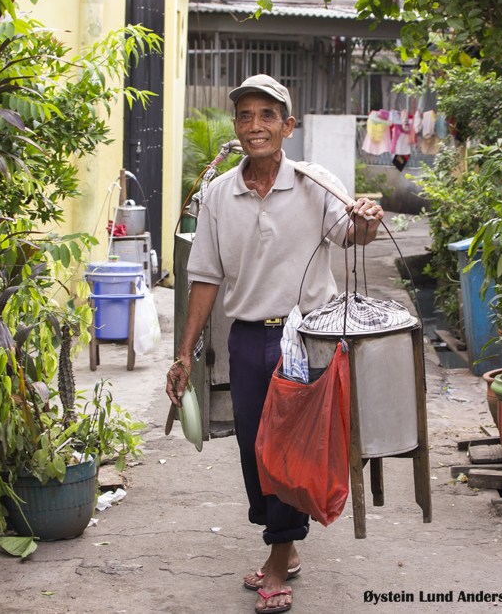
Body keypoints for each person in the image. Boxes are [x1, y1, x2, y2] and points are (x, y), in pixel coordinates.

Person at [164, 74, 383, 613]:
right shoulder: (219, 195)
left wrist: (368, 221)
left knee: (288, 447)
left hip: (305, 338)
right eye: (245, 116)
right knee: (253, 449)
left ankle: (280, 557)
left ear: (288, 125)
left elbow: (350, 235)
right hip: (246, 340)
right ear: (236, 126)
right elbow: (206, 280)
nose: (255, 126)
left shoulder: (314, 182)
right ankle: (282, 541)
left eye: (267, 116)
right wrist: (183, 354)